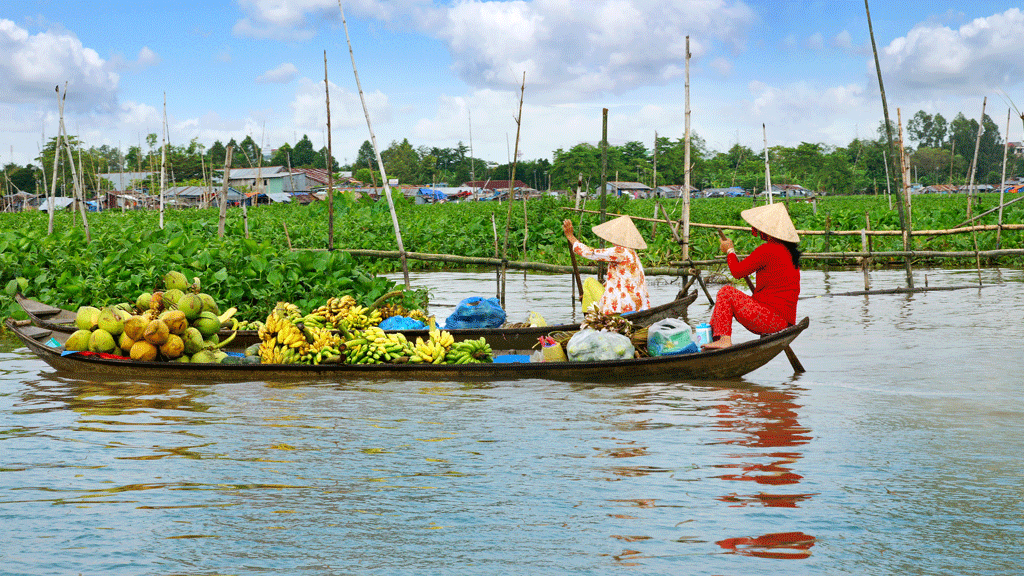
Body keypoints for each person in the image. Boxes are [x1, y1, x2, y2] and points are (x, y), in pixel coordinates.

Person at [703, 202, 801, 350]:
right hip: (780, 320)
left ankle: (723, 340)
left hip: (772, 320)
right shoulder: (788, 252)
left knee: (726, 292)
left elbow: (737, 271)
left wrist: (730, 251)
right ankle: (714, 339)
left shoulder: (769, 250)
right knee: (724, 302)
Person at [562, 215, 651, 315]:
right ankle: (593, 316)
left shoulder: (620, 251)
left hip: (624, 307)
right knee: (595, 289)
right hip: (638, 305)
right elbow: (619, 280)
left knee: (588, 282)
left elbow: (590, 253)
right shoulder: (632, 253)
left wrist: (570, 237)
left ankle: (590, 320)